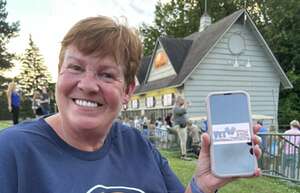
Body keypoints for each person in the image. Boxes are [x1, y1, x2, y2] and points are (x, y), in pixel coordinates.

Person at [0, 16, 261, 193]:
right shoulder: (11, 152)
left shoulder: (138, 145)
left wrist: (202, 185)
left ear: (127, 91)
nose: (88, 85)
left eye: (107, 74)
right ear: (59, 75)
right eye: (76, 67)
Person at [173, 96, 190, 160]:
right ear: (178, 101)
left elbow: (183, 110)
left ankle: (184, 155)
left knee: (184, 141)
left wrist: (186, 104)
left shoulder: (179, 107)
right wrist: (186, 104)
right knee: (183, 141)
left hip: (183, 126)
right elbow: (183, 111)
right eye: (182, 100)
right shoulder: (175, 108)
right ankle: (183, 155)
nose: (183, 101)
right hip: (180, 126)